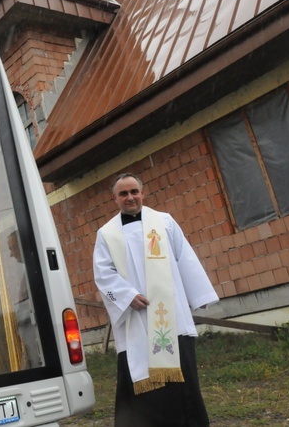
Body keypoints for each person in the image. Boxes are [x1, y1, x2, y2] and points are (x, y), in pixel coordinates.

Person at [93, 173, 219, 427]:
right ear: (115, 199)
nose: (130, 197)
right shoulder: (107, 234)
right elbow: (103, 274)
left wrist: (199, 295)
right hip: (136, 320)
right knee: (142, 388)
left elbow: (185, 257)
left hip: (171, 317)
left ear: (142, 192)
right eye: (123, 194)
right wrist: (127, 296)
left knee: (184, 384)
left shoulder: (165, 222)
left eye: (134, 192)